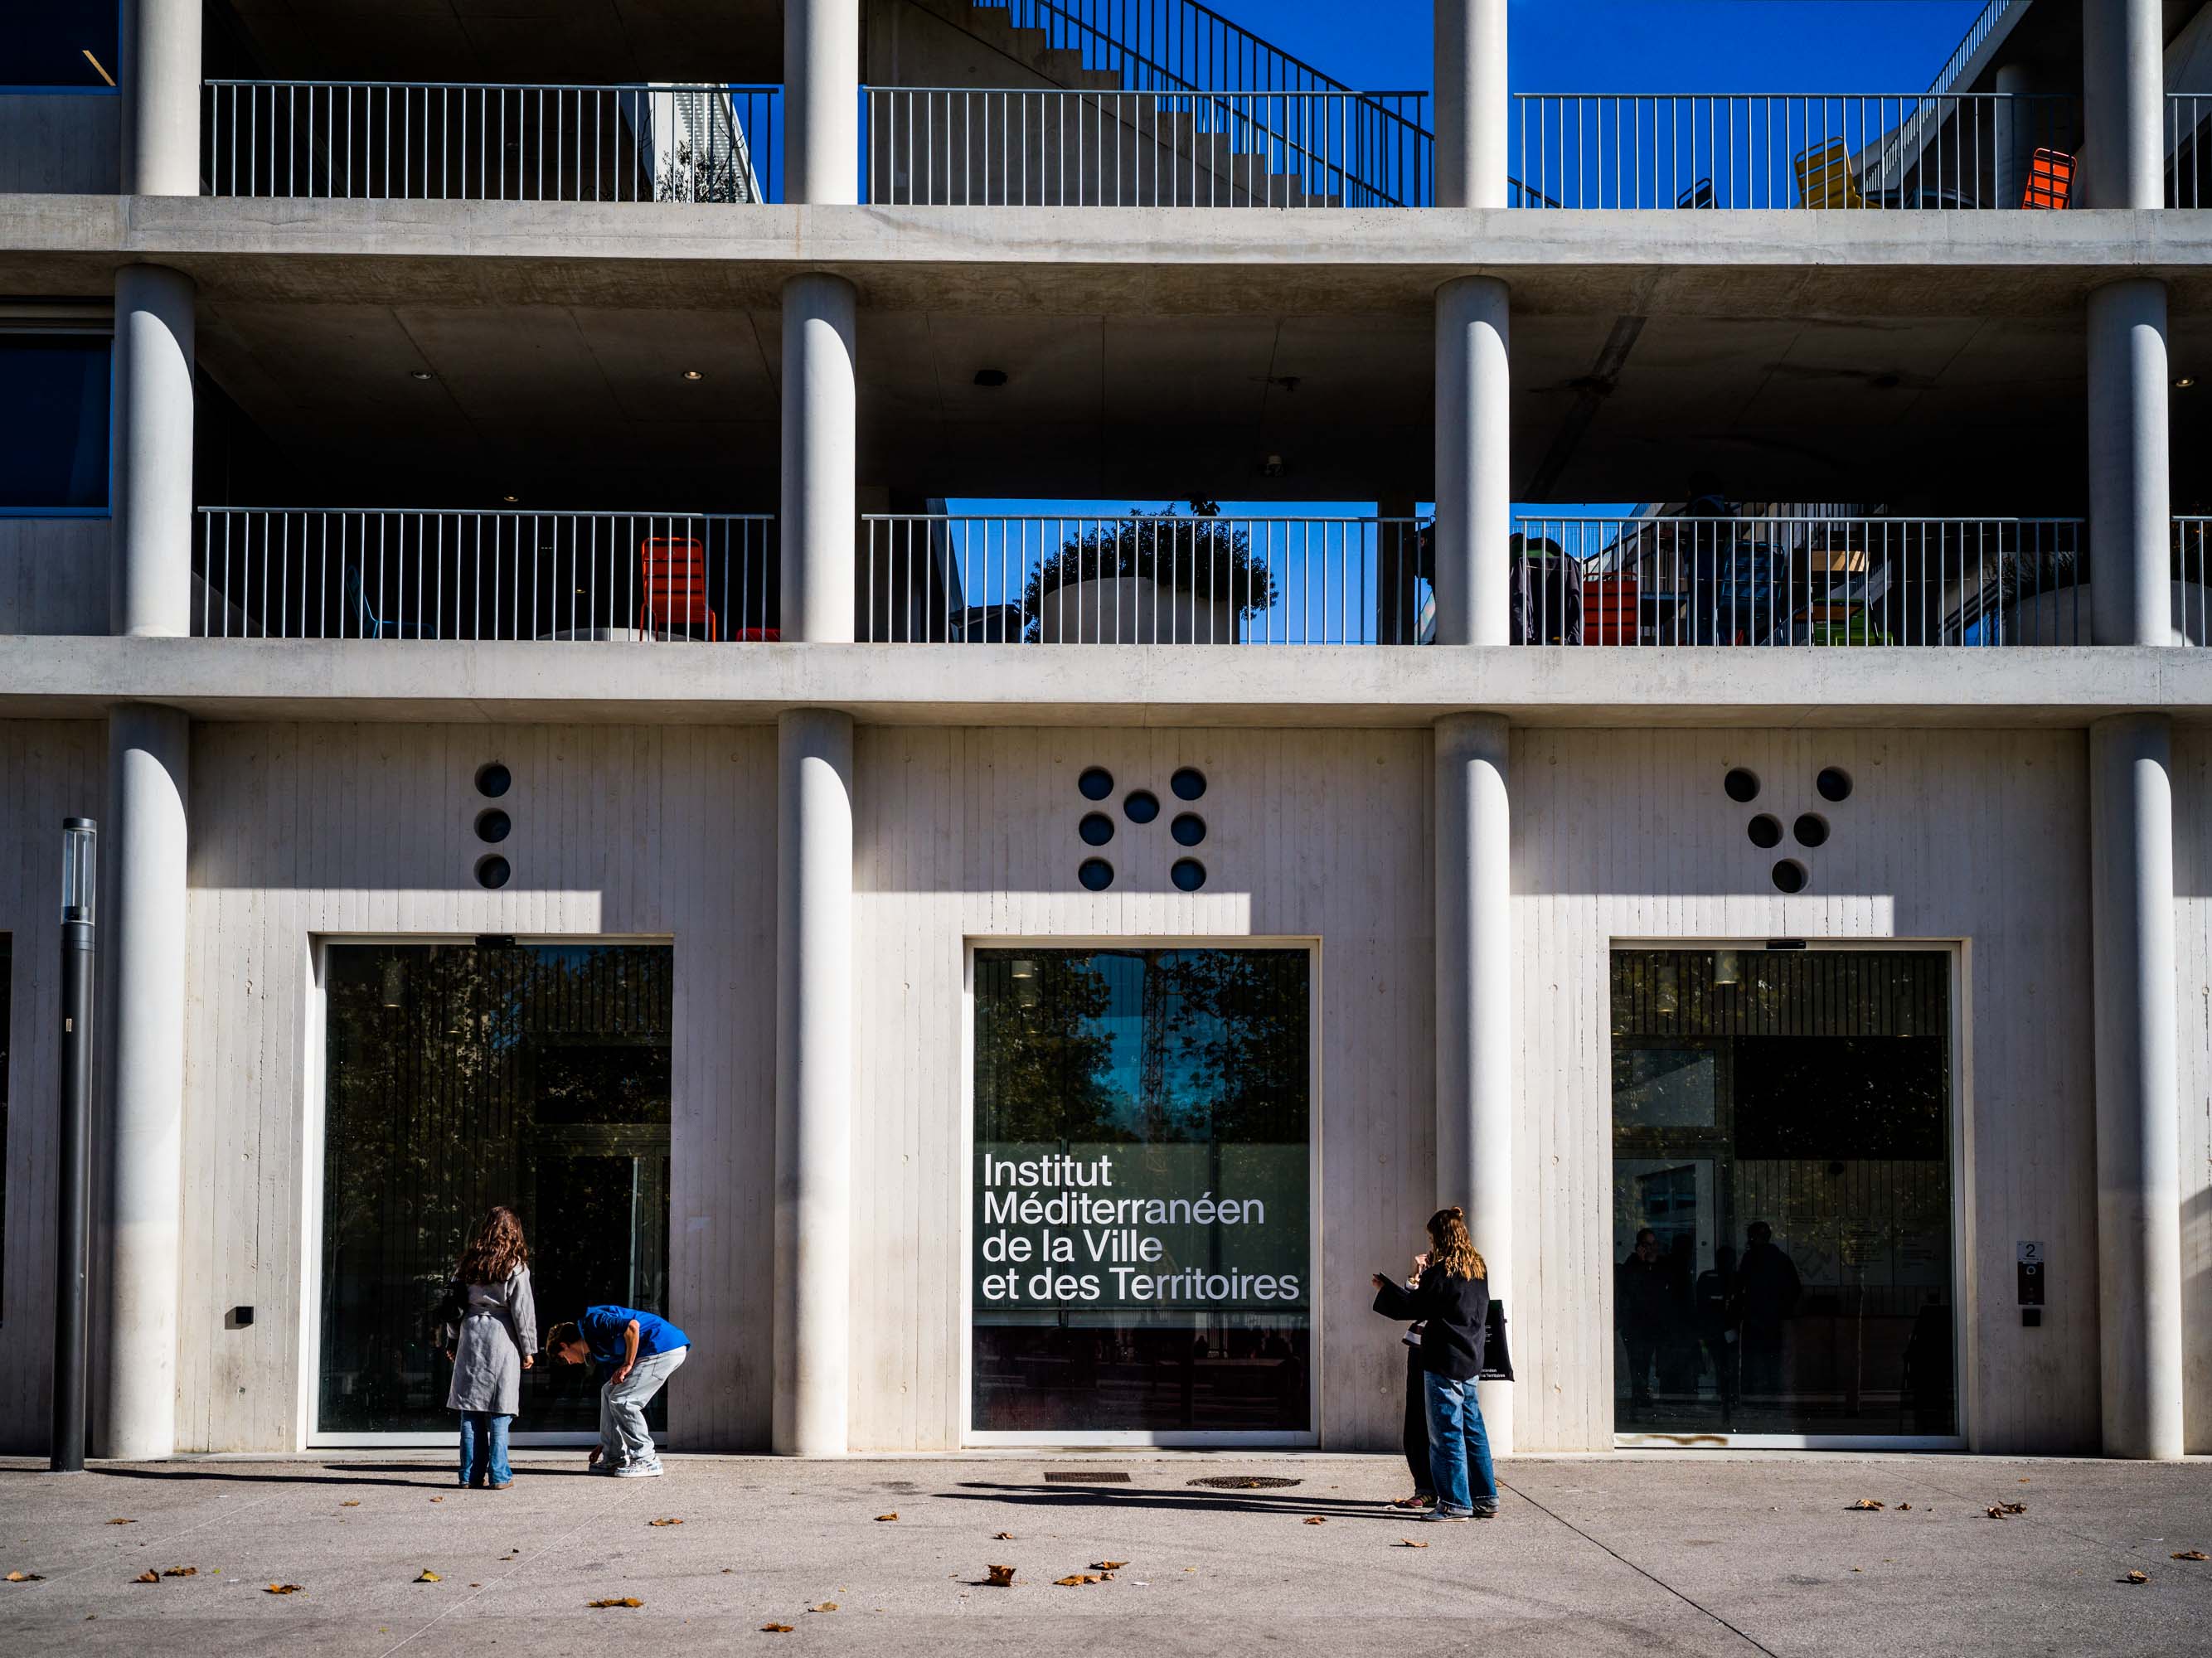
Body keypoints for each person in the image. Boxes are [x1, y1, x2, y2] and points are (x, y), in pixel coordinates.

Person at [1371, 1206, 1497, 1522]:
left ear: (1440, 1237)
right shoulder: (1476, 1268)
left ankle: (1455, 1503)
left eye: (1431, 1237)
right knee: (1473, 1430)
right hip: (1470, 1358)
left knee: (1445, 1433)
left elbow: (1416, 1307)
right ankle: (1485, 1498)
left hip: (1443, 1359)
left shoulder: (1441, 1272)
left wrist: (1386, 1290)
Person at [442, 1205, 537, 1491]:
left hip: (470, 1332)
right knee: (500, 1407)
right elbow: (523, 1311)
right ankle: (499, 1474)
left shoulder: (466, 1265)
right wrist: (529, 1348)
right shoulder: (516, 1267)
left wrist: (453, 1340)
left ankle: (468, 1475)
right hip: (502, 1335)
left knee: (470, 1409)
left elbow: (454, 1307)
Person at [545, 1304, 691, 1478]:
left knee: (624, 1400)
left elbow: (632, 1326)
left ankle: (647, 1459)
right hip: (655, 1350)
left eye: (564, 1358)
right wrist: (606, 1442)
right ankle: (614, 1457)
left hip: (662, 1347)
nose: (570, 1362)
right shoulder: (597, 1346)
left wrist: (628, 1364)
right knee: (609, 1391)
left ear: (564, 1345)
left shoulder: (593, 1323)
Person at [1736, 1221, 1802, 1401]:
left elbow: (1739, 1286)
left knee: (1751, 1360)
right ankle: (1772, 1394)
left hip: (1753, 1316)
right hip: (1773, 1318)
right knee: (1772, 1359)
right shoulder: (1781, 1259)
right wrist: (1782, 1309)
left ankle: (1750, 1395)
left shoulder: (1750, 1259)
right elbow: (1795, 1288)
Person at [1615, 1228, 1671, 1420]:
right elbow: (1630, 1288)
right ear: (1639, 1247)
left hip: (1653, 1323)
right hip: (1635, 1324)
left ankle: (1643, 1392)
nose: (1651, 1249)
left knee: (1647, 1360)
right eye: (1647, 1245)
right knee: (1637, 1361)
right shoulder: (1631, 1266)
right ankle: (1639, 1394)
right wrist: (1640, 1263)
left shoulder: (1661, 1266)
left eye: (1653, 1245)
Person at [1694, 1244, 1740, 1424]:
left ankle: (1727, 1398)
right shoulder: (1712, 1277)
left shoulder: (1733, 1278)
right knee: (1724, 1366)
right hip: (1718, 1330)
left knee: (1727, 1366)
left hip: (1723, 1329)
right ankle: (1726, 1398)